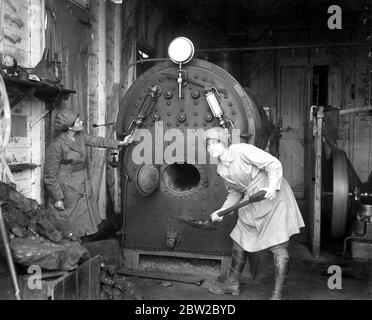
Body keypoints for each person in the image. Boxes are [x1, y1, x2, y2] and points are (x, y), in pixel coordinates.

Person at [204, 127, 305, 300]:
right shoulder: (221, 168)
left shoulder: (242, 151)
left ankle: (277, 295)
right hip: (252, 201)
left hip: (274, 199)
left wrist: (272, 186)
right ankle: (231, 284)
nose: (211, 147)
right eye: (208, 144)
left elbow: (273, 164)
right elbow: (234, 193)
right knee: (240, 239)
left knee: (278, 247)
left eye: (215, 143)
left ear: (224, 142)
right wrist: (221, 211)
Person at [44, 109, 133, 240]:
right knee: (69, 222)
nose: (81, 121)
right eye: (78, 121)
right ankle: (70, 248)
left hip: (83, 184)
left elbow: (96, 140)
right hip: (67, 188)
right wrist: (57, 197)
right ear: (69, 126)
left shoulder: (79, 136)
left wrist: (119, 143)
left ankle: (81, 247)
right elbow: (49, 175)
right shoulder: (56, 146)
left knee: (84, 219)